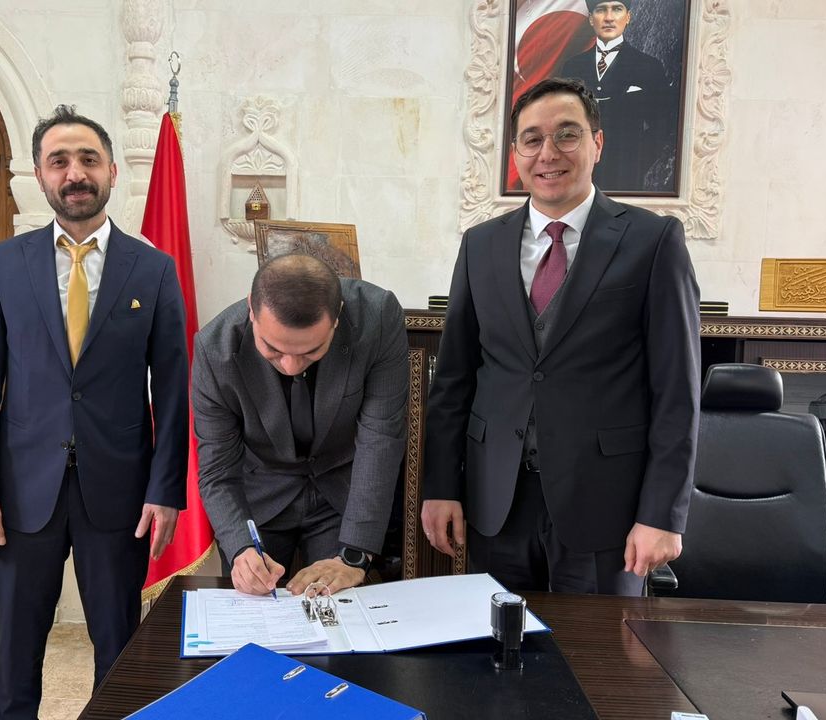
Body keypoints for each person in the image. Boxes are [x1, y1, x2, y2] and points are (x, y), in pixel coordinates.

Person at [421, 77, 700, 597]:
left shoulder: (653, 241)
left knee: (600, 649)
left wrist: (663, 513)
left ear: (597, 143)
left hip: (607, 508)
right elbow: (454, 380)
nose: (548, 153)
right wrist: (440, 486)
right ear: (516, 154)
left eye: (567, 135)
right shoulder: (480, 245)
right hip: (496, 503)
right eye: (532, 139)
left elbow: (676, 392)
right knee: (495, 644)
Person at [0, 105, 188, 720]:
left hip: (119, 494)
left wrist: (165, 491)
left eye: (88, 159)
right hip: (20, 493)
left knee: (118, 646)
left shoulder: (153, 269)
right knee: (17, 652)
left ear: (112, 171)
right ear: (39, 175)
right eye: (59, 161)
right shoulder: (4, 263)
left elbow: (173, 391)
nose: (75, 173)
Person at [193, 254, 408, 597]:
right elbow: (217, 468)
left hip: (343, 494)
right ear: (252, 310)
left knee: (338, 611)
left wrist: (355, 554)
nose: (291, 366)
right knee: (255, 610)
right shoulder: (214, 348)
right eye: (273, 349)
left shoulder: (377, 317)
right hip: (259, 498)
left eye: (311, 351)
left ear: (337, 317)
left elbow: (381, 437)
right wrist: (240, 547)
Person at [560, 0, 674, 191]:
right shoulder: (572, 67)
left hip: (626, 176)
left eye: (617, 9)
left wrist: (637, 160)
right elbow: (562, 120)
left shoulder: (648, 66)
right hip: (580, 176)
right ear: (591, 19)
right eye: (601, 10)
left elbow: (662, 124)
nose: (609, 18)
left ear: (628, 17)